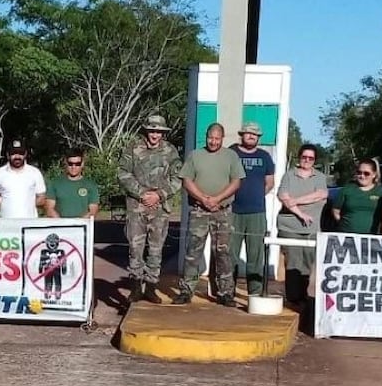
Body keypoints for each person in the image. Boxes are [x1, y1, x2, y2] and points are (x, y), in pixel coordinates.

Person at [176, 123, 245, 306]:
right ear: (205, 136)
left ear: (222, 139)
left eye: (217, 138)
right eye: (210, 138)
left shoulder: (231, 156)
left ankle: (225, 293)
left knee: (223, 253)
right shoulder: (195, 155)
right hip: (199, 210)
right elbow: (187, 180)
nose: (213, 142)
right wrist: (203, 199)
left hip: (222, 211)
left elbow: (237, 182)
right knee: (193, 251)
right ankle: (186, 291)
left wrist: (217, 199)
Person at [117, 114, 182, 304]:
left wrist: (159, 195)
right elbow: (123, 172)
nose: (155, 135)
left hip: (159, 208)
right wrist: (141, 194)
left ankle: (151, 287)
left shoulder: (170, 151)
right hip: (137, 207)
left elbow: (178, 178)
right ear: (146, 130)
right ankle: (136, 287)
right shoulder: (133, 147)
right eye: (152, 130)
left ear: (163, 133)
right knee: (135, 248)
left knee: (156, 248)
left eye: (159, 131)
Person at [276, 144, 328, 304]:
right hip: (289, 226)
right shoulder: (289, 175)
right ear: (299, 158)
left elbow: (321, 194)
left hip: (312, 228)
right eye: (304, 157)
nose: (307, 160)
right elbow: (283, 197)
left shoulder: (319, 177)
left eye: (311, 158)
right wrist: (300, 213)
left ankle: (306, 297)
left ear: (315, 160)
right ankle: (293, 297)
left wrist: (296, 200)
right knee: (293, 261)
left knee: (308, 263)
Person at [228, 121, 275, 296]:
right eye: (248, 133)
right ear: (242, 134)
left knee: (255, 255)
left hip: (257, 212)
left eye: (254, 134)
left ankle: (254, 292)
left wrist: (255, 194)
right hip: (233, 211)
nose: (251, 136)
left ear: (258, 138)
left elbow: (270, 182)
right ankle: (228, 291)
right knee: (230, 253)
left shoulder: (264, 156)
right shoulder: (231, 152)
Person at [0, 139, 46, 219]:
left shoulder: (35, 172)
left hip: (29, 223)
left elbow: (41, 199)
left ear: (25, 154)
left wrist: (26, 205)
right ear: (7, 155)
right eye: (13, 153)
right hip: (5, 222)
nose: (17, 157)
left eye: (21, 153)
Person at [331, 158, 382, 234]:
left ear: (374, 174)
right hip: (347, 235)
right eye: (359, 172)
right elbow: (336, 210)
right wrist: (344, 225)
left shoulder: (381, 191)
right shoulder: (347, 189)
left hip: (371, 237)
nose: (362, 176)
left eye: (366, 173)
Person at [45, 148, 100, 219]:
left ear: (82, 164)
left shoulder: (91, 185)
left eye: (77, 164)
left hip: (82, 227)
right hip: (60, 227)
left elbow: (93, 211)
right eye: (70, 164)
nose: (73, 167)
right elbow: (49, 209)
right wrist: (63, 224)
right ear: (66, 163)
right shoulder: (55, 183)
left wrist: (78, 223)